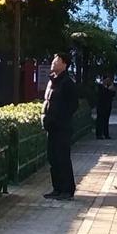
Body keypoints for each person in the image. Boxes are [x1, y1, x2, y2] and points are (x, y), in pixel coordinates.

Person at [42, 52, 78, 200]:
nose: (53, 62)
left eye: (57, 60)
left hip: (62, 127)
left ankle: (67, 189)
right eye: (53, 60)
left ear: (64, 64)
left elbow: (72, 105)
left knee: (62, 158)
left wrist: (60, 119)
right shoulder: (52, 81)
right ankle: (57, 187)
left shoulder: (68, 82)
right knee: (53, 158)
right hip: (51, 127)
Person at [95, 75, 115, 139]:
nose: (107, 81)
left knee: (106, 120)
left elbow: (112, 95)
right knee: (100, 120)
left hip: (108, 106)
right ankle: (99, 134)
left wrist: (112, 89)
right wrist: (108, 89)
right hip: (101, 106)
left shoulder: (110, 87)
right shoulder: (100, 86)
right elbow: (102, 95)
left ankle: (106, 134)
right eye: (106, 80)